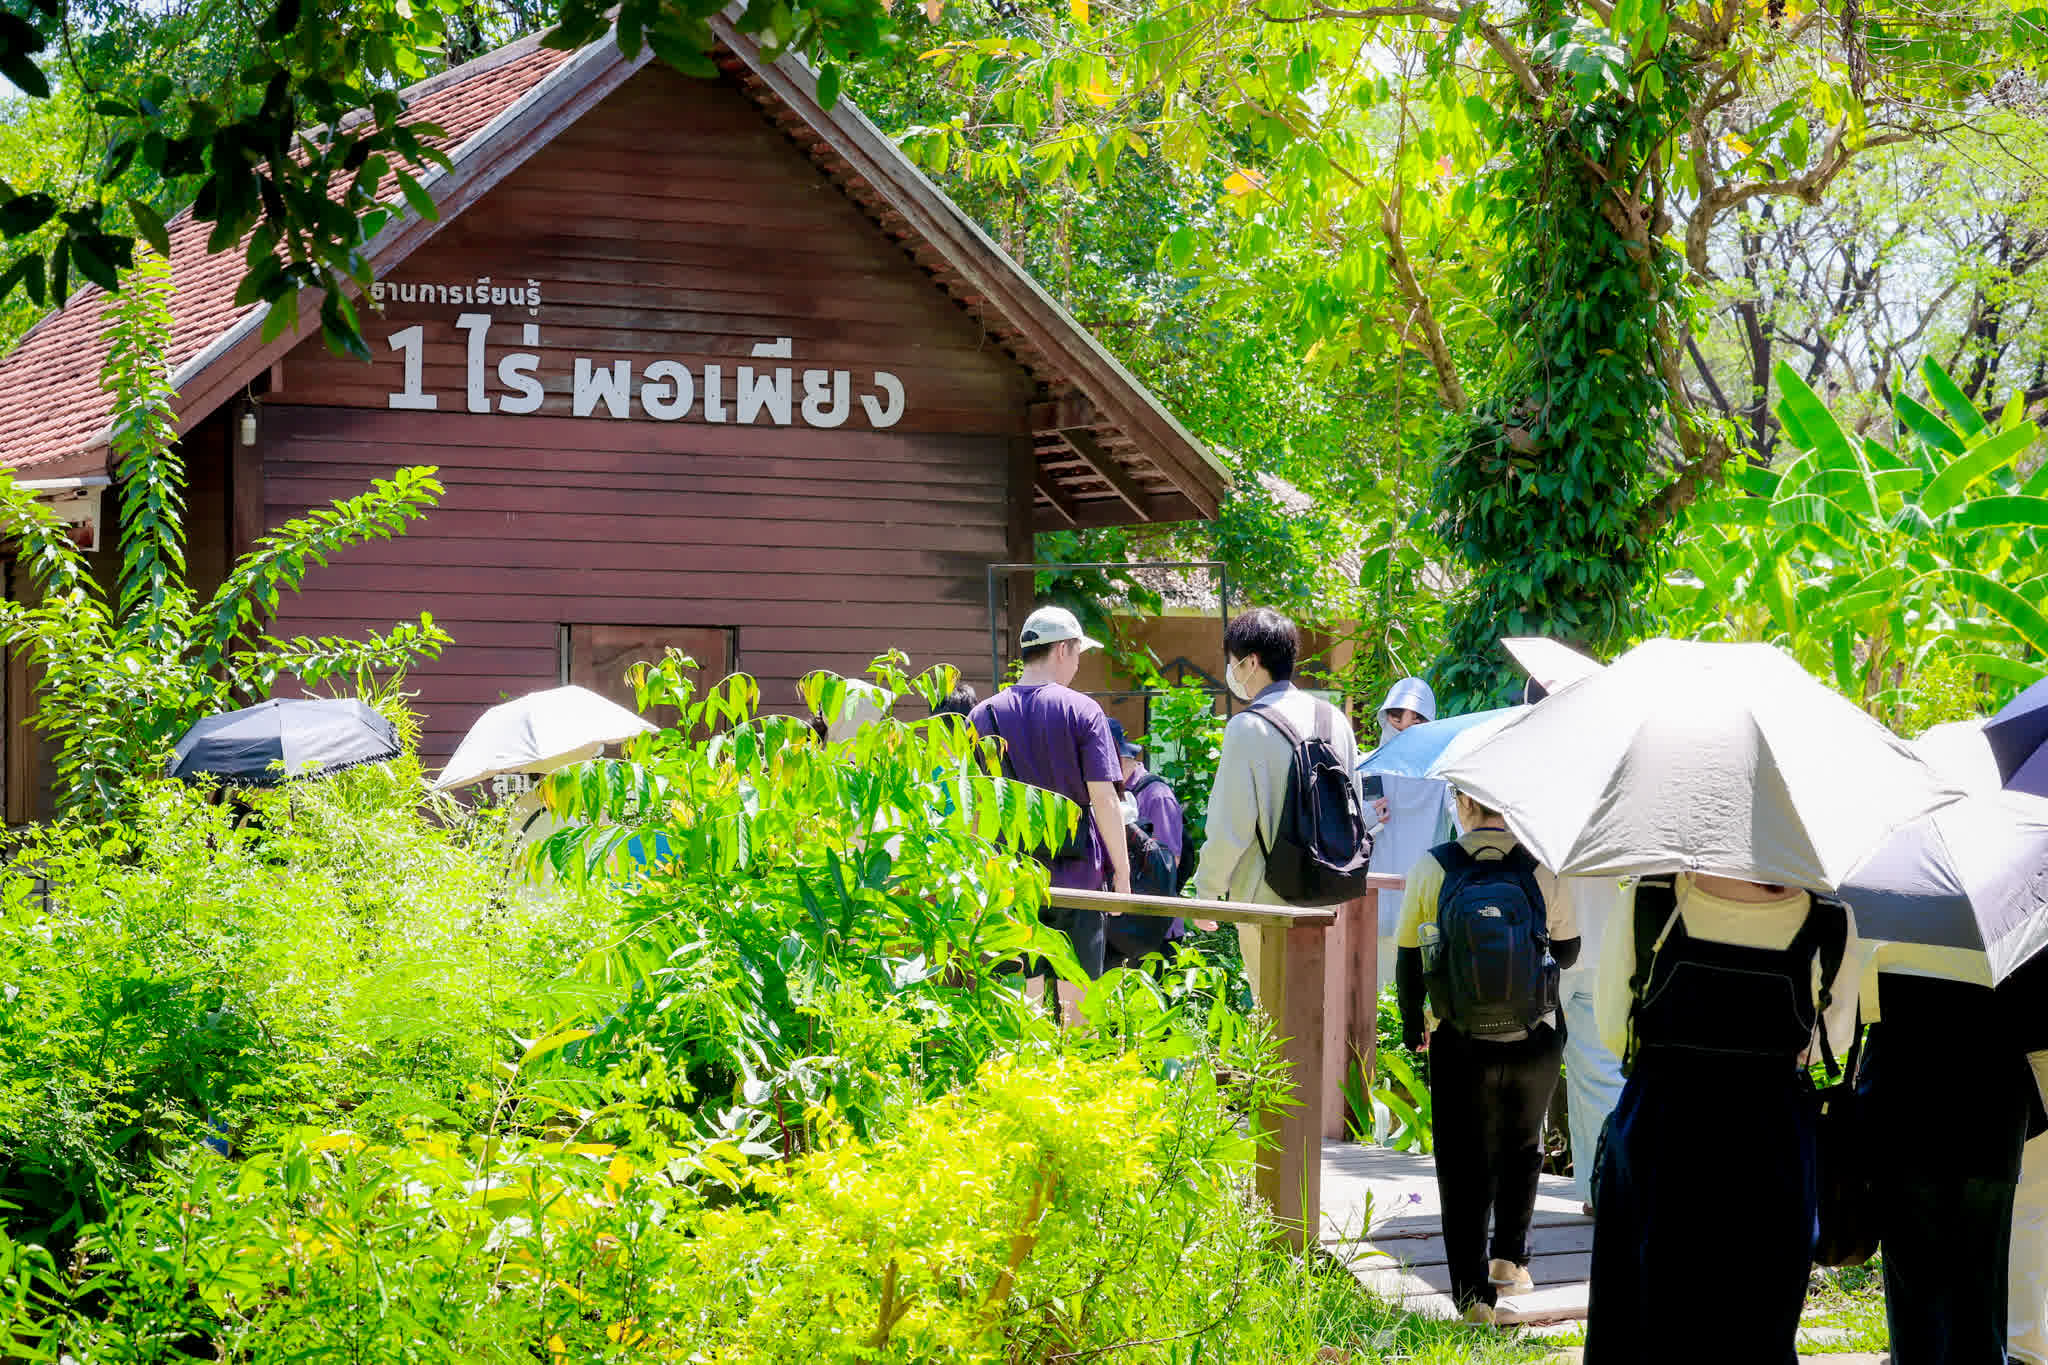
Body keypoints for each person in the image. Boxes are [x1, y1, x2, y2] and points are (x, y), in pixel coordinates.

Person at [1586, 872, 1861, 1364]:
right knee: (1758, 1321)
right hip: (1770, 1138)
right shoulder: (1831, 919)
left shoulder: (1649, 900)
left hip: (1662, 1130)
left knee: (1642, 1321)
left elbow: (1612, 1029)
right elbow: (1831, 1042)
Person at [1394, 789, 1580, 1324]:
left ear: (1463, 804)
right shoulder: (1541, 866)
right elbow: (1568, 952)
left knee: (1462, 1162)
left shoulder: (1434, 866)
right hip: (1534, 1035)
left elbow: (1409, 960)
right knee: (1523, 1146)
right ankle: (1510, 1261)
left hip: (1459, 1036)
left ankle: (1472, 1296)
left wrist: (1411, 1025)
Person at [1857, 961, 2044, 1364]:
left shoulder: (1891, 929)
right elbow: (2037, 1024)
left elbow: (1852, 1012)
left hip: (1901, 1102)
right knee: (1982, 1288)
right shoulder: (2008, 930)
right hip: (1990, 1108)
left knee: (1914, 1292)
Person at [1190, 607, 1365, 992]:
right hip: (1330, 892)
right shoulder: (1335, 720)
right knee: (1320, 1006)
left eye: (1233, 662)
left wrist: (1207, 892)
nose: (1232, 670)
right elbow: (1356, 812)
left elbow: (1230, 827)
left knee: (1274, 1009)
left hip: (1268, 898)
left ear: (1251, 662)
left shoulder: (1248, 727)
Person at [971, 605, 1131, 1013]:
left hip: (1010, 879)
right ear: (1063, 649)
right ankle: (1077, 1057)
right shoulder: (1083, 711)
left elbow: (975, 806)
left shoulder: (982, 716)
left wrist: (975, 881)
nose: (1077, 664)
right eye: (1078, 653)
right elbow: (1105, 799)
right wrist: (1123, 875)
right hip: (1078, 878)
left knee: (1021, 1007)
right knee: (1079, 1007)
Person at [1365, 677, 1453, 990]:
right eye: (1397, 715)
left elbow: (1464, 823)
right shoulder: (1365, 767)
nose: (1404, 725)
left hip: (1423, 902)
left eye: (1417, 718)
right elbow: (1342, 833)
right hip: (1376, 901)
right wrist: (1368, 815)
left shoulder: (1444, 774)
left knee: (1415, 996)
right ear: (1385, 716)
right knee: (1378, 994)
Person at [1104, 716, 1188, 968]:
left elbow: (1168, 864)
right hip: (1119, 928)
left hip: (1153, 930)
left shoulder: (1156, 796)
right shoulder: (1110, 792)